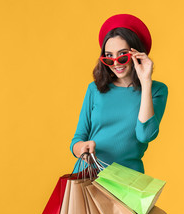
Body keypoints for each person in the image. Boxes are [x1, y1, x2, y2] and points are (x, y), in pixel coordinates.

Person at [70, 13, 168, 174]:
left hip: (127, 182)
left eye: (122, 56)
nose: (115, 63)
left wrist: (146, 82)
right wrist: (81, 148)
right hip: (90, 177)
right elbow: (78, 138)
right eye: (109, 57)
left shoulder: (156, 90)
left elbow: (145, 135)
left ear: (136, 53)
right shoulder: (94, 89)